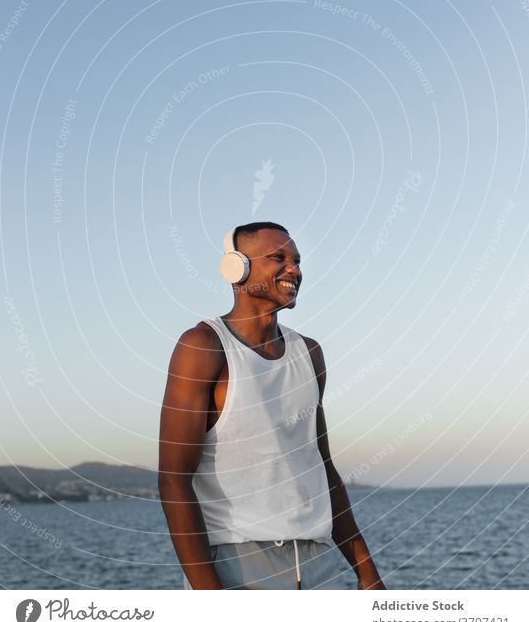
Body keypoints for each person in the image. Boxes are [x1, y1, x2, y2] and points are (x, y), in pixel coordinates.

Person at [158, 222, 385, 590]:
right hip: (238, 565)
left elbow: (323, 467)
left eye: (296, 260)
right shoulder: (203, 347)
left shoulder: (309, 353)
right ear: (237, 269)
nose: (294, 268)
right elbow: (173, 478)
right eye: (278, 258)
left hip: (317, 564)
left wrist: (367, 571)